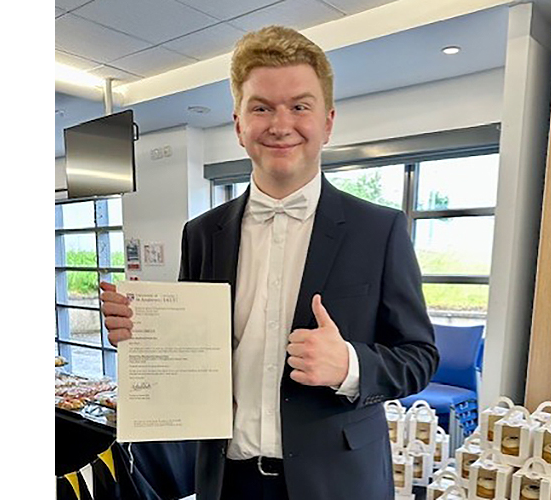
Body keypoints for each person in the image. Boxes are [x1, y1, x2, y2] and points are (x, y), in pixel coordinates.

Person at [100, 25, 439, 500]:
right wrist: (144, 338)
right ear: (239, 125)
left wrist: (350, 365)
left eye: (300, 106)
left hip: (337, 481)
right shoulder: (201, 235)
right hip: (227, 480)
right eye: (261, 107)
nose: (281, 124)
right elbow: (194, 356)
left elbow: (419, 357)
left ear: (328, 122)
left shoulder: (379, 230)